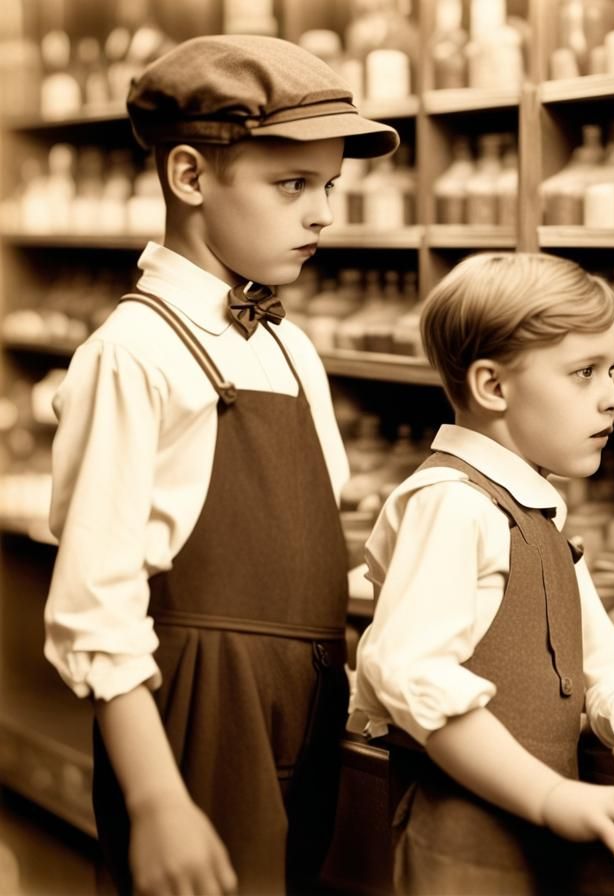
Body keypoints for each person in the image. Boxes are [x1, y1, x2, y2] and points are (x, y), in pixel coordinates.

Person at [43, 34, 399, 896]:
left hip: (308, 704)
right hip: (202, 719)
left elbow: (306, 544)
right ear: (191, 178)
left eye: (328, 188)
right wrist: (159, 800)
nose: (322, 215)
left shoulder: (290, 347)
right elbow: (94, 607)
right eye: (292, 187)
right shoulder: (134, 353)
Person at [352, 252, 614, 895]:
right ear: (493, 387)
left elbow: (593, 657)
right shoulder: (455, 505)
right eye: (584, 372)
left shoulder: (533, 511)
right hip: (463, 846)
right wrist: (550, 797)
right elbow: (411, 670)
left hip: (538, 837)